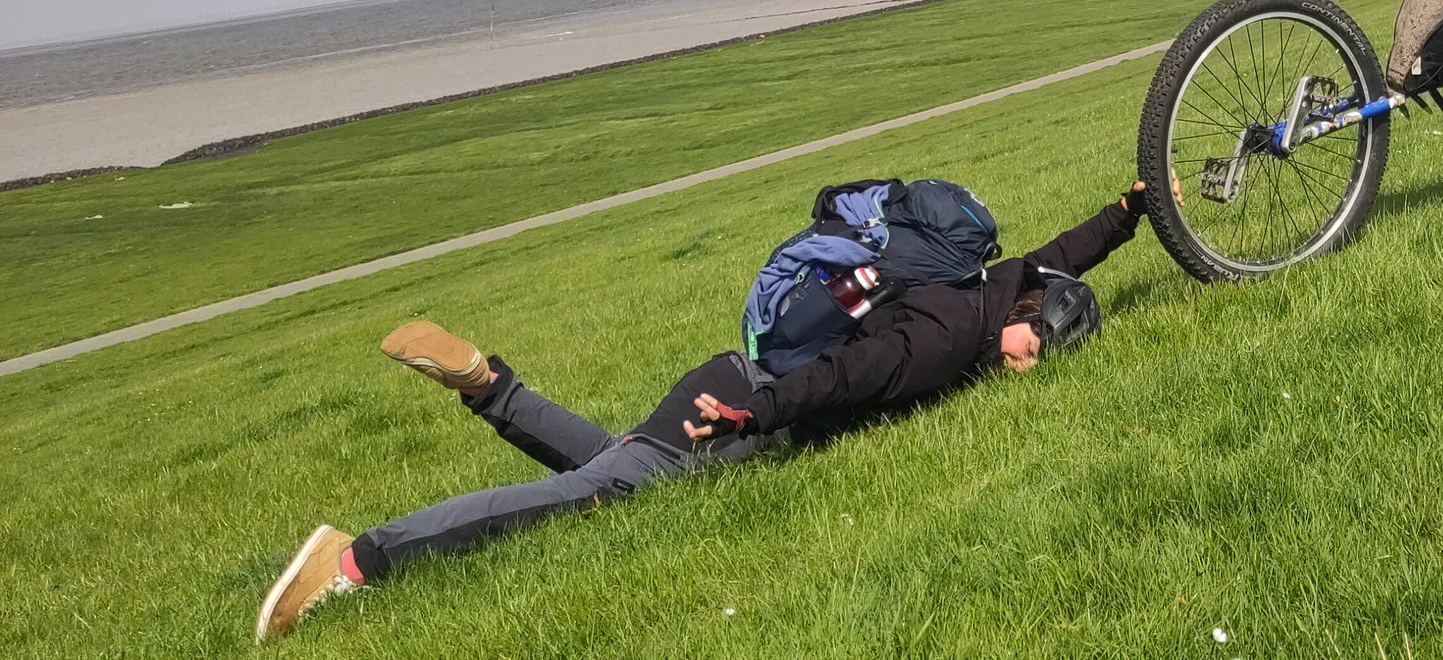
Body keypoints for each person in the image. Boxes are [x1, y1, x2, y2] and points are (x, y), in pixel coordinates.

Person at [255, 181, 1155, 642]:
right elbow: (848, 377)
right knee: (593, 492)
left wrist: (1129, 212)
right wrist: (750, 417)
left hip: (737, 382)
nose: (1027, 367)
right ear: (1027, 316)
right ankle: (361, 558)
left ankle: (491, 388)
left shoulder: (991, 283)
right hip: (744, 400)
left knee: (618, 471)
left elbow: (1060, 253)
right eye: (1037, 349)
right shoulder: (949, 336)